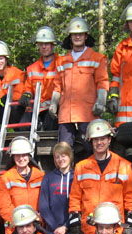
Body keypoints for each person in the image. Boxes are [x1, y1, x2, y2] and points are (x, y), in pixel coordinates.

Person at [68, 119, 132, 234]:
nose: (99, 142)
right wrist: (75, 226)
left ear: (109, 139)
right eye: (95, 139)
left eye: (103, 139)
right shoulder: (81, 167)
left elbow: (131, 198)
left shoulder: (124, 166)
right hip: (89, 230)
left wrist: (130, 226)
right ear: (91, 141)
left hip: (115, 230)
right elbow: (74, 198)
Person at [49, 17, 109, 154]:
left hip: (87, 113)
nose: (77, 37)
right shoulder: (62, 61)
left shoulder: (97, 58)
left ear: (86, 36)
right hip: (66, 114)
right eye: (74, 34)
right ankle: (67, 176)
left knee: (92, 149)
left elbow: (102, 82)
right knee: (64, 151)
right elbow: (57, 85)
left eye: (80, 34)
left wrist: (101, 102)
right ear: (70, 37)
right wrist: (53, 103)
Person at [0, 136, 44, 234]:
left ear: (29, 155)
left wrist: (37, 219)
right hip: (14, 227)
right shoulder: (6, 178)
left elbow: (46, 203)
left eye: (24, 155)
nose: (21, 158)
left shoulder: (41, 176)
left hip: (37, 226)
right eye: (17, 155)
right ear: (12, 157)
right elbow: (3, 206)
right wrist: (20, 221)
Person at [38, 142, 74, 234]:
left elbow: (79, 204)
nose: (61, 159)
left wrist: (66, 226)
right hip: (53, 232)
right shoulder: (48, 178)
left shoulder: (76, 176)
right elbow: (43, 206)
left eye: (63, 155)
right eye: (57, 157)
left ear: (70, 156)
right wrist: (56, 228)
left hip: (72, 231)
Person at [19, 26, 60, 131]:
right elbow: (28, 87)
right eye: (41, 44)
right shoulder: (32, 68)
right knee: (23, 127)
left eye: (46, 44)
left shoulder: (62, 64)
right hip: (35, 109)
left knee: (50, 126)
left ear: (52, 45)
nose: (44, 47)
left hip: (55, 107)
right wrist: (26, 93)